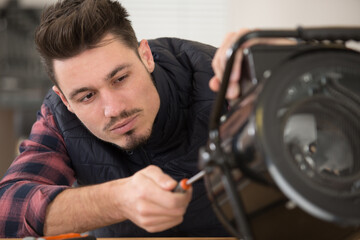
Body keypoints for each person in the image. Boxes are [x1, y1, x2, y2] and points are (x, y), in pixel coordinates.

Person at [0, 0, 243, 238]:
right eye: (87, 96)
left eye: (120, 79)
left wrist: (274, 63)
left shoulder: (220, 77)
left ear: (146, 56)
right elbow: (8, 207)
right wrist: (117, 200)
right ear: (65, 100)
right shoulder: (59, 116)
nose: (114, 110)